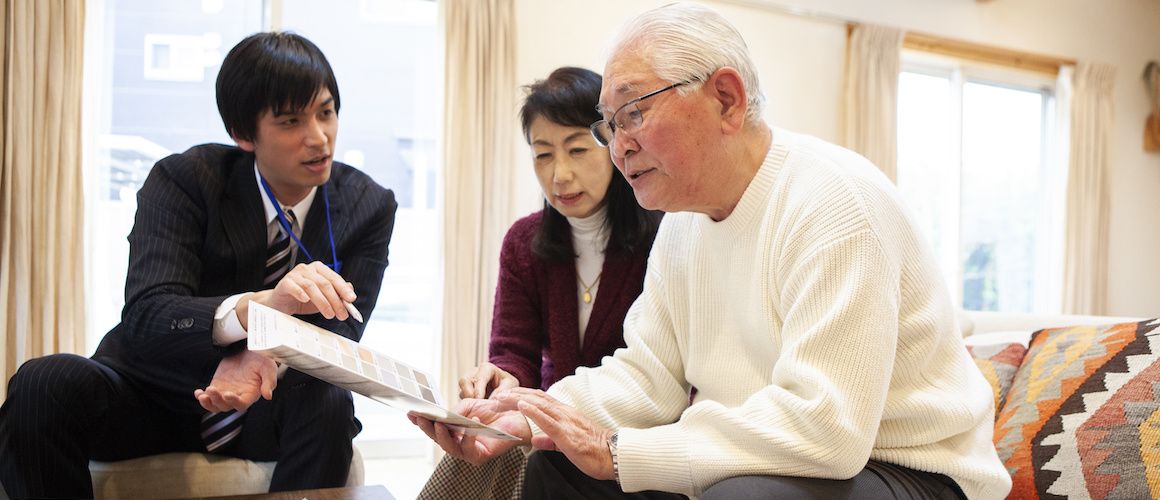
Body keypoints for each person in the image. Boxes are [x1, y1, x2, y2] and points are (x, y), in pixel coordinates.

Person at [412, 4, 1012, 500]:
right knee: (556, 469)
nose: (619, 149)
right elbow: (649, 376)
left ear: (726, 98)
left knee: (741, 498)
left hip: (913, 470)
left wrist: (623, 454)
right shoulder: (681, 225)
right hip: (784, 458)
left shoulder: (834, 203)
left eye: (635, 114)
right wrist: (530, 416)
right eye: (609, 126)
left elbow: (827, 430)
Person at [0, 32, 398, 498]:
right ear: (243, 134)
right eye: (291, 120)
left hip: (267, 405)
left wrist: (262, 354)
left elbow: (343, 335)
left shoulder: (368, 205)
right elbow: (148, 314)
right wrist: (257, 308)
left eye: (326, 112)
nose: (318, 137)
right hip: (156, 395)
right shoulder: (185, 180)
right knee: (43, 383)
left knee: (329, 400)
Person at [418, 66, 662, 499]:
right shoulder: (524, 243)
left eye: (577, 150)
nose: (560, 175)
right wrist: (503, 378)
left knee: (540, 462)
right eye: (543, 154)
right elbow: (514, 351)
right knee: (484, 447)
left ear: (612, 144)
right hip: (549, 422)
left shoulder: (662, 237)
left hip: (632, 430)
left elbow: (658, 372)